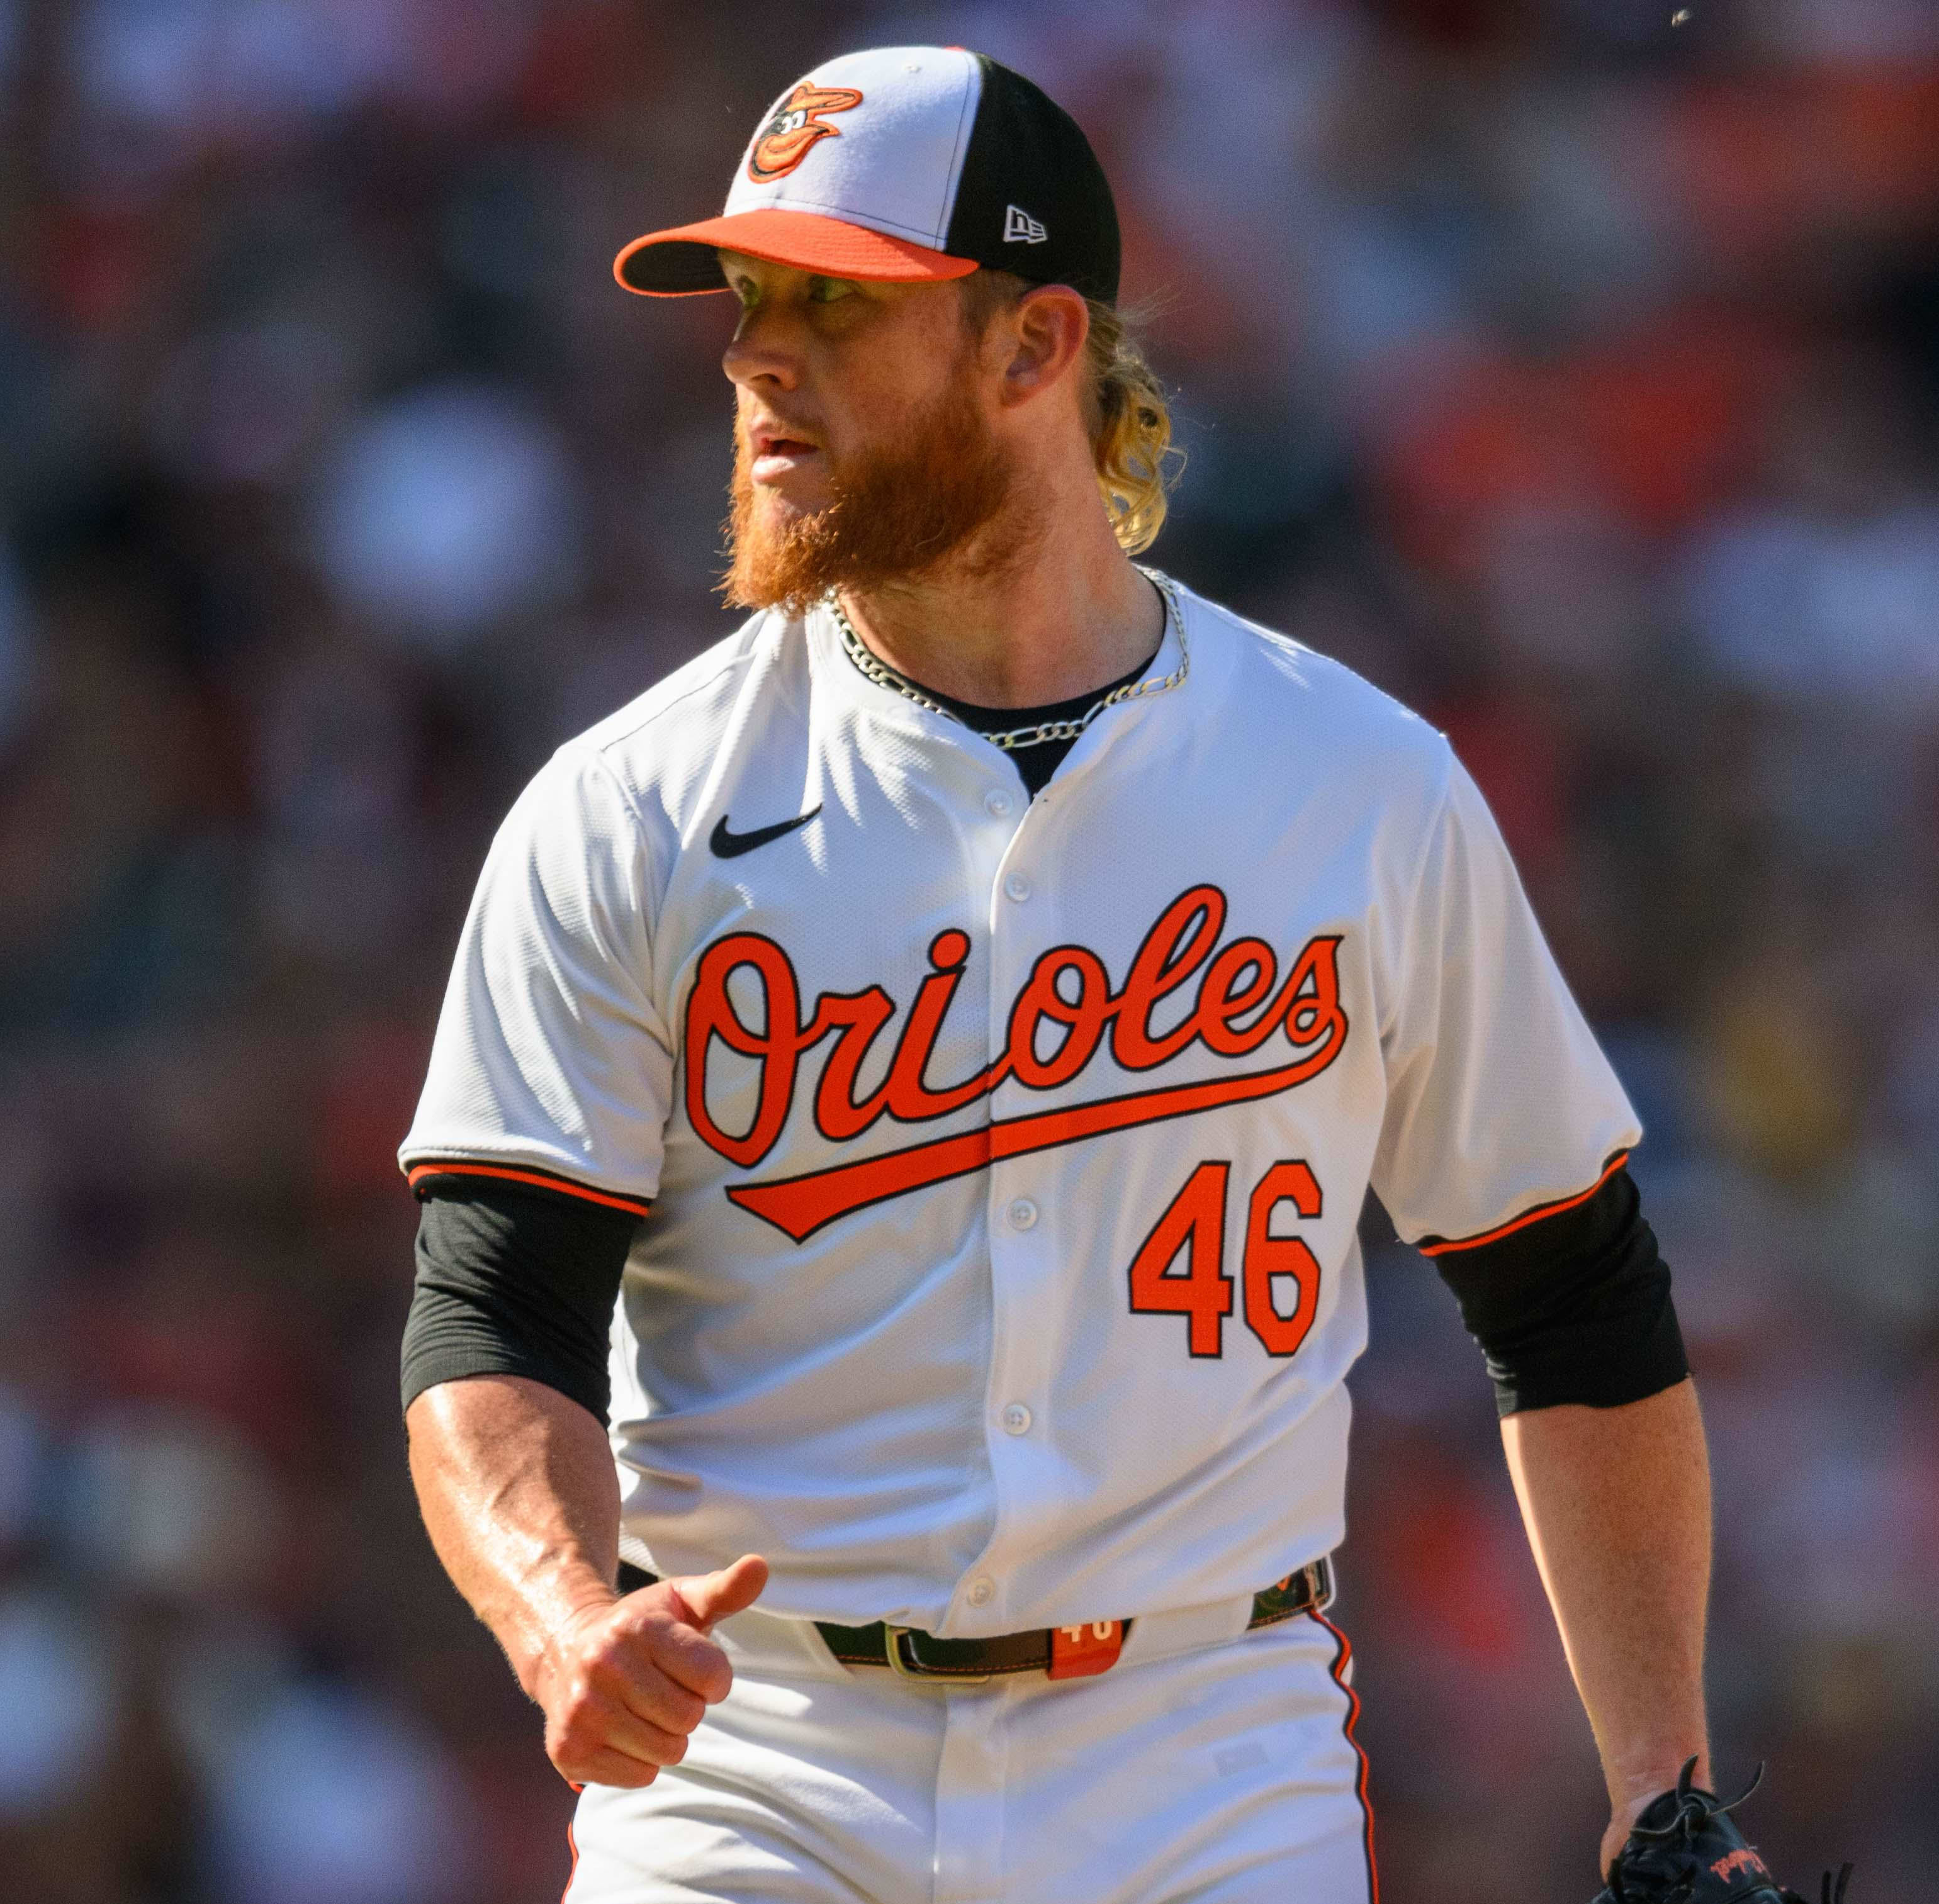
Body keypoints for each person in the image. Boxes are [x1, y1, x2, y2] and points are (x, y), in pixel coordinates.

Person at [396, 46, 1823, 1903]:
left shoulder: (1348, 782)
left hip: (1199, 1751)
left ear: (1030, 342)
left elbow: (1567, 1293)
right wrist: (559, 1615)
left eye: (833, 301)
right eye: (748, 302)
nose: (756, 356)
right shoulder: (628, 812)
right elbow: (489, 1318)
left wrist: (1660, 1785)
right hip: (757, 1762)